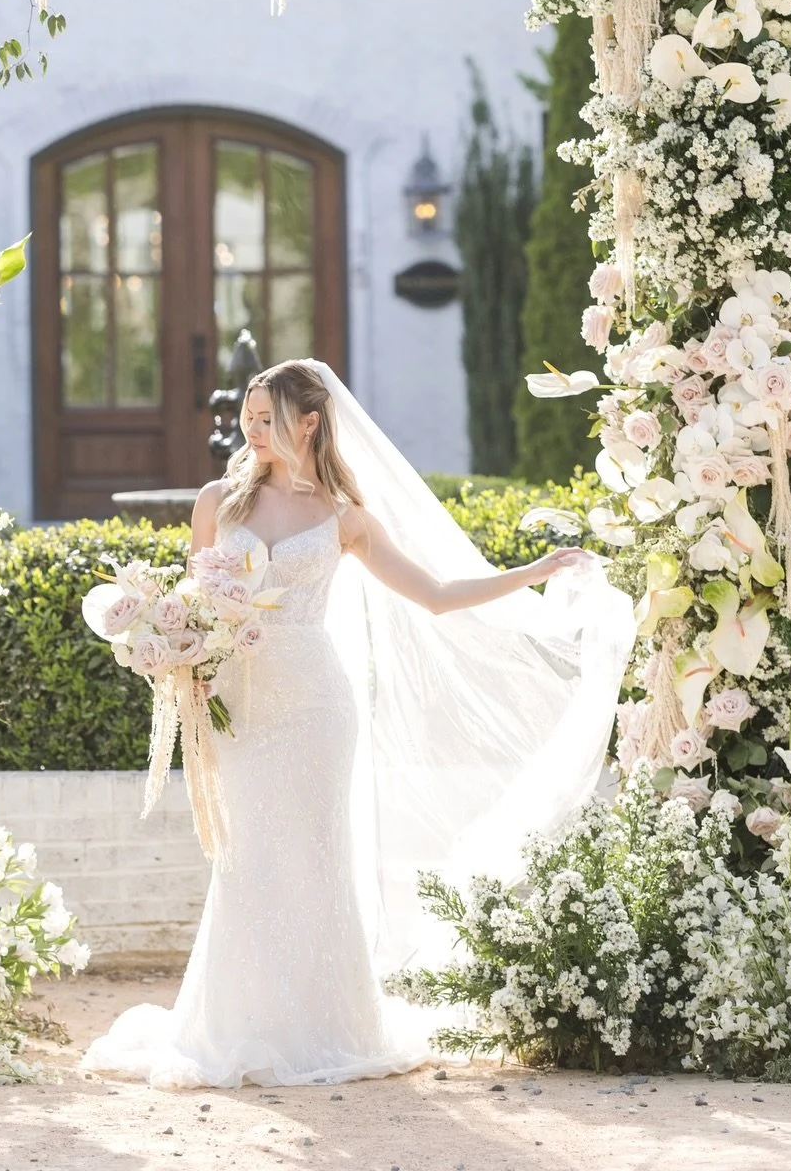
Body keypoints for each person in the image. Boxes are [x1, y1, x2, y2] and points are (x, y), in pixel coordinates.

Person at [82, 358, 634, 1090]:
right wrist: (175, 647)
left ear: (309, 422)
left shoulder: (345, 516)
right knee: (245, 858)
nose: (252, 428)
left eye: (266, 415)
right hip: (239, 705)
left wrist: (530, 572)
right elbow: (194, 600)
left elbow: (434, 594)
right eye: (248, 414)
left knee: (314, 858)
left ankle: (326, 1029)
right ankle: (234, 1027)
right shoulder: (218, 502)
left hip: (316, 706)